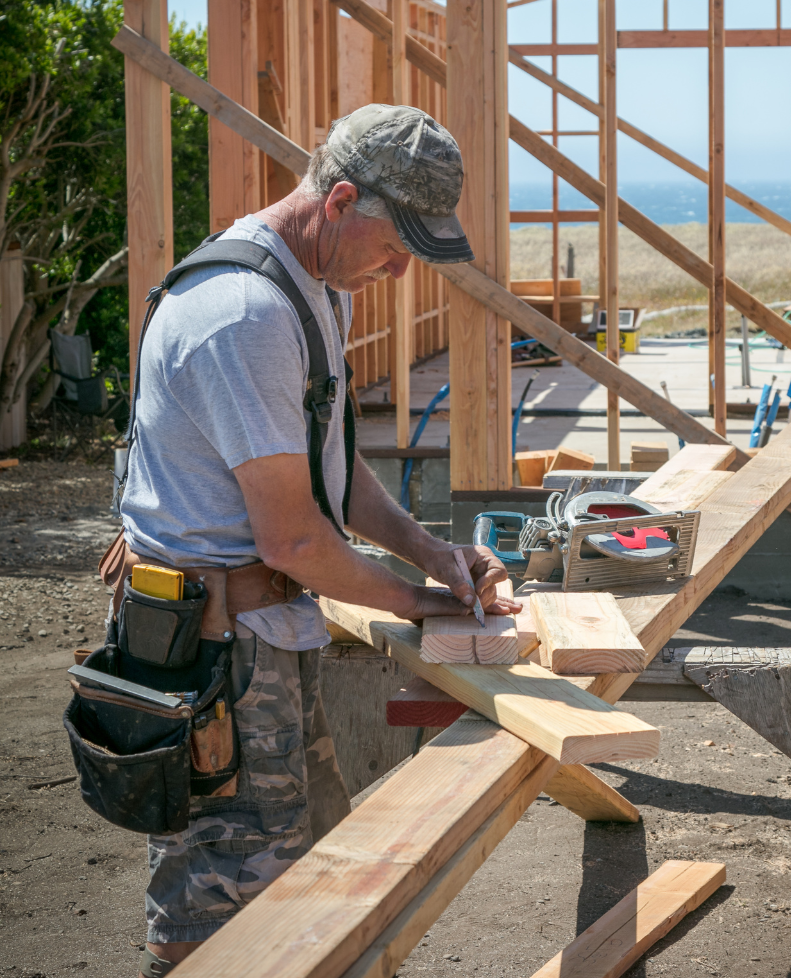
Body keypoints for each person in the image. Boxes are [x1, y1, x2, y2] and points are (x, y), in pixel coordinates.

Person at [113, 105, 520, 975]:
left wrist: (433, 555)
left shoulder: (315, 287)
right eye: (394, 242)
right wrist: (426, 603)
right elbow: (296, 540)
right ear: (339, 199)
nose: (400, 267)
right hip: (210, 649)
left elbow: (330, 470)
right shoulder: (247, 314)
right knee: (219, 908)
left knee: (301, 884)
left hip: (262, 633)